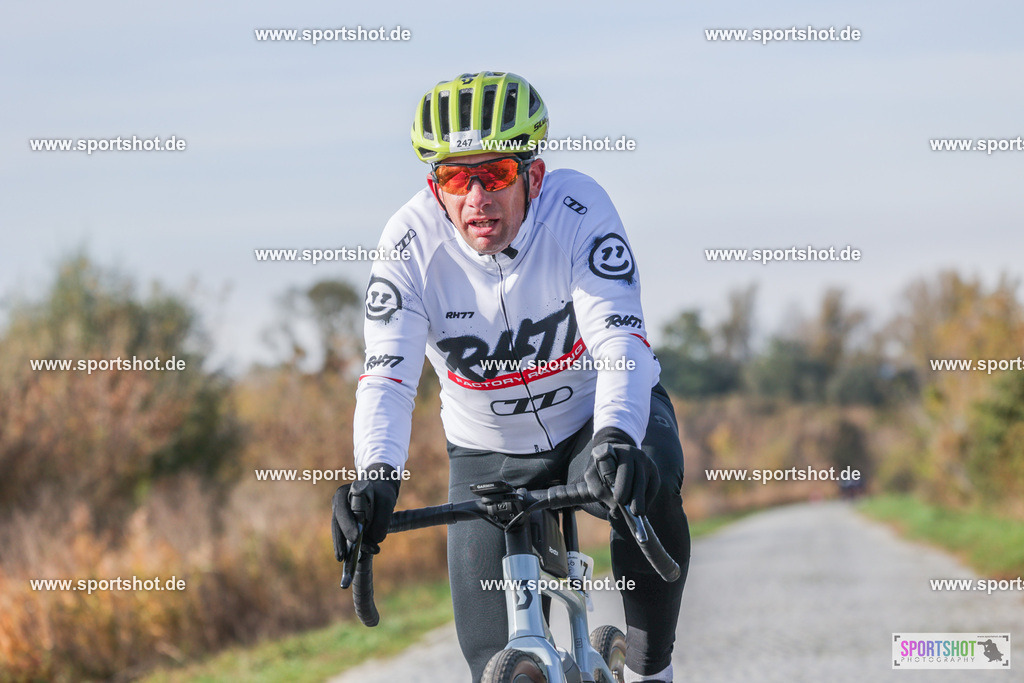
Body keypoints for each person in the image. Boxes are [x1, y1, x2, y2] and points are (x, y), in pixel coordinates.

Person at [332, 71, 690, 683]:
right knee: (490, 661)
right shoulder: (409, 244)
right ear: (435, 186)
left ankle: (650, 673)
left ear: (534, 174)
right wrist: (375, 477)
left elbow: (619, 341)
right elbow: (388, 380)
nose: (477, 197)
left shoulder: (579, 210)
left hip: (593, 423)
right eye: (454, 177)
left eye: (495, 174)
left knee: (644, 490)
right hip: (488, 450)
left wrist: (615, 438)